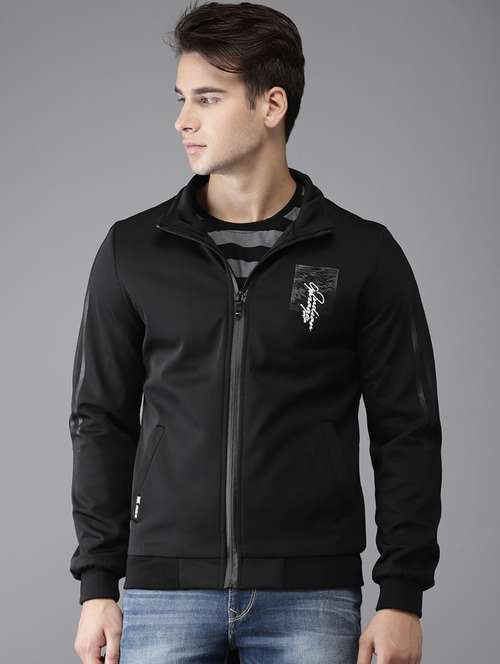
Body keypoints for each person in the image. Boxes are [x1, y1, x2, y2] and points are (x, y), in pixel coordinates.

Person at [69, 2, 442, 663]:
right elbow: (100, 419)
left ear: (272, 105)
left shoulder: (362, 254)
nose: (183, 119)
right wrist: (97, 583)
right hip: (165, 593)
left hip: (311, 596)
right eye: (182, 98)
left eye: (207, 98)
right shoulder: (133, 251)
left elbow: (406, 431)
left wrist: (402, 595)